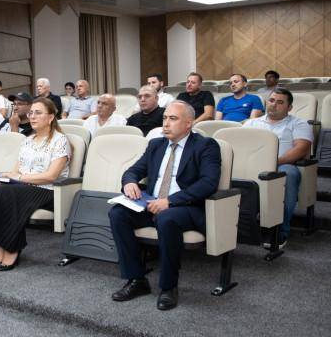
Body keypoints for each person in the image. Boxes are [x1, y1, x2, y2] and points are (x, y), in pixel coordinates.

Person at [109, 101, 221, 311]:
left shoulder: (206, 145)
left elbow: (208, 183)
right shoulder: (156, 145)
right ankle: (136, 279)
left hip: (187, 206)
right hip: (153, 202)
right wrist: (130, 183)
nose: (166, 124)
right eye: (164, 118)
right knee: (118, 213)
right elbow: (133, 171)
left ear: (188, 123)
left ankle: (169, 287)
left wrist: (170, 201)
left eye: (173, 119)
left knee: (166, 217)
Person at [0, 97, 70, 271]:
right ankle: (0, 243)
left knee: (7, 193)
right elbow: (16, 171)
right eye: (31, 113)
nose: (32, 116)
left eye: (38, 113)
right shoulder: (28, 139)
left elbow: (51, 176)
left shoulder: (60, 140)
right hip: (24, 187)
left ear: (51, 117)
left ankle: (12, 248)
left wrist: (18, 178)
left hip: (48, 190)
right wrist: (5, 177)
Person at [243, 88, 313, 248]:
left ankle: (280, 230)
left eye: (280, 102)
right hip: (253, 166)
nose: (274, 105)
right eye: (272, 100)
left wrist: (273, 162)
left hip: (283, 165)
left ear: (289, 107)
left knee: (288, 174)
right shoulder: (252, 123)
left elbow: (301, 149)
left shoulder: (299, 124)